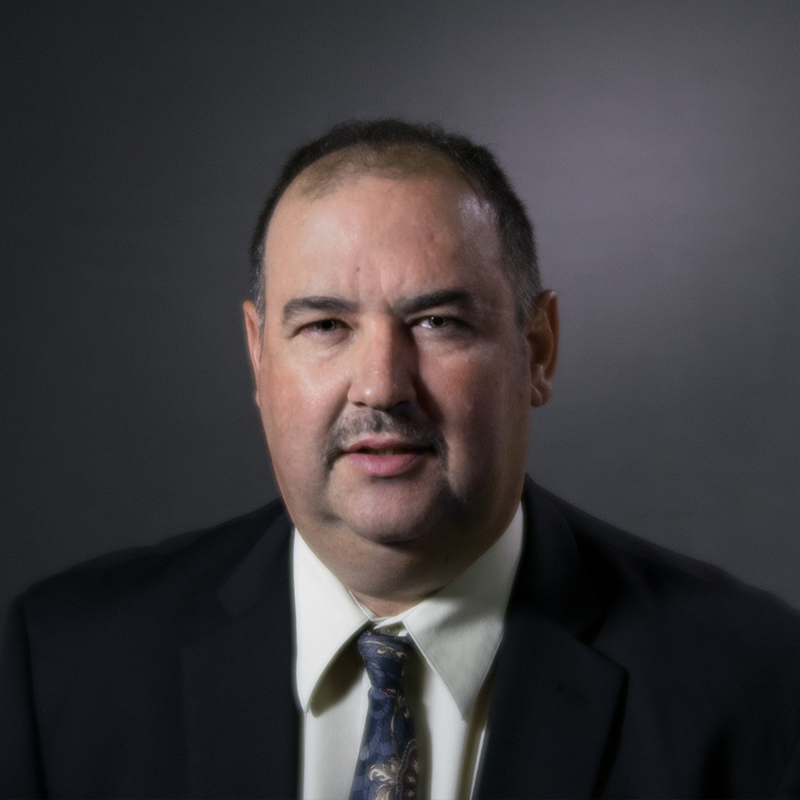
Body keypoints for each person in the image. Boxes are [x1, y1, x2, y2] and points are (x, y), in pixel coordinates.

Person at [1, 119, 799, 800]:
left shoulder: (759, 684)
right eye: (325, 326)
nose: (381, 385)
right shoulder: (65, 667)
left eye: (437, 322)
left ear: (538, 349)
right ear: (258, 356)